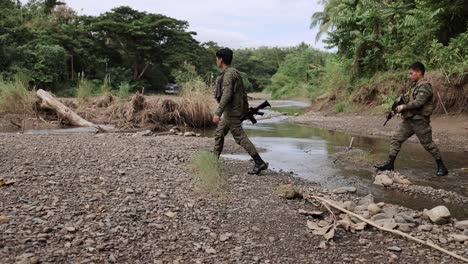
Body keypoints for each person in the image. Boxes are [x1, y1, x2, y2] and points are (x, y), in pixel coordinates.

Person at [374, 62, 448, 176]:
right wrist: (395, 108)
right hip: (409, 120)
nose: (410, 75)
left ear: (419, 72)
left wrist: (403, 106)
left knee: (428, 145)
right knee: (396, 139)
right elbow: (405, 99)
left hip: (420, 121)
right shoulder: (414, 86)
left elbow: (419, 102)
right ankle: (390, 164)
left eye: (411, 73)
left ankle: (442, 167)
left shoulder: (425, 86)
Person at [212, 48, 268, 175]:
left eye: (217, 58)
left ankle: (259, 162)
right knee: (219, 134)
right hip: (231, 112)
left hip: (231, 113)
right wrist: (244, 109)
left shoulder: (228, 74)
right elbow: (243, 93)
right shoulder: (235, 72)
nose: (216, 61)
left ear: (221, 60)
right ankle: (213, 160)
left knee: (240, 137)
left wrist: (217, 112)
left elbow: (226, 94)